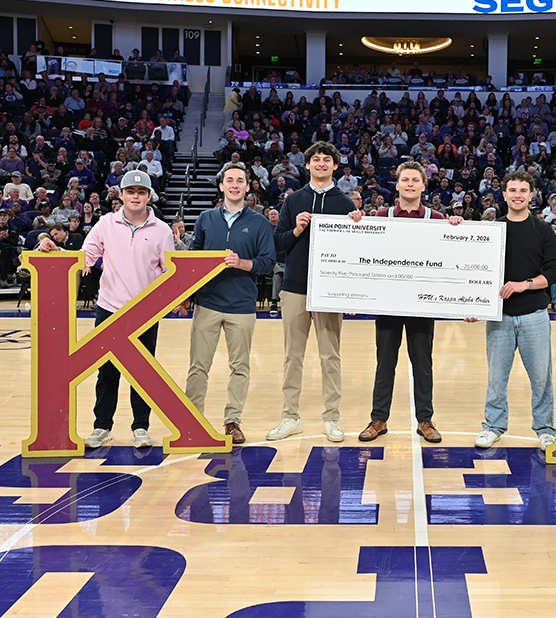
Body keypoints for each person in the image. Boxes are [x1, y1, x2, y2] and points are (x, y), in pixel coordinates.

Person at [41, 170, 175, 449]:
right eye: (130, 191)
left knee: (143, 372)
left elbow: (168, 273)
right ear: (121, 195)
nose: (135, 196)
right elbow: (85, 258)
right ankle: (102, 427)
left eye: (141, 192)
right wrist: (58, 251)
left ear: (149, 197)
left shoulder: (162, 230)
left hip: (145, 312)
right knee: (107, 373)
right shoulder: (105, 223)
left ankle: (141, 427)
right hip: (110, 308)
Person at [358, 161, 460, 445]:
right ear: (398, 184)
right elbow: (361, 250)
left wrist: (456, 230)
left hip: (422, 304)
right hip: (389, 302)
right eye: (406, 180)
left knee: (422, 364)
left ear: (423, 185)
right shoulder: (381, 215)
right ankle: (379, 419)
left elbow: (455, 256)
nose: (410, 184)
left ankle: (425, 420)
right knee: (385, 363)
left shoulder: (438, 218)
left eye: (416, 180)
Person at [271, 142, 364, 443]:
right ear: (307, 165)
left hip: (330, 292)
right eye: (316, 159)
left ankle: (331, 418)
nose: (321, 164)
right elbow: (277, 244)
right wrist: (296, 230)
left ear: (335, 166)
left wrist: (359, 228)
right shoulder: (294, 200)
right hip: (295, 289)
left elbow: (355, 253)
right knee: (292, 357)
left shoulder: (346, 205)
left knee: (330, 356)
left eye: (327, 159)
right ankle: (289, 416)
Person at [184, 162, 276, 444]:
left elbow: (268, 263)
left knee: (240, 367)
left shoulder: (259, 222)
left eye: (240, 180)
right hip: (208, 303)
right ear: (221, 185)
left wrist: (242, 263)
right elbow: (192, 258)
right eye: (230, 180)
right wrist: (187, 296)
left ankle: (232, 422)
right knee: (198, 366)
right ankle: (191, 420)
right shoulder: (205, 219)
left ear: (248, 187)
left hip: (242, 305)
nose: (235, 185)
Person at [475, 170, 556, 451]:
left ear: (531, 195)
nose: (517, 195)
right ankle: (493, 427)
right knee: (496, 378)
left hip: (534, 316)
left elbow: (555, 271)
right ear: (504, 194)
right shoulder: (493, 230)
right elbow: (477, 271)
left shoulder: (543, 230)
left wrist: (524, 285)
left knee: (541, 378)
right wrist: (472, 304)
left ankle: (545, 429)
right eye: (512, 190)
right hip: (499, 317)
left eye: (523, 190)